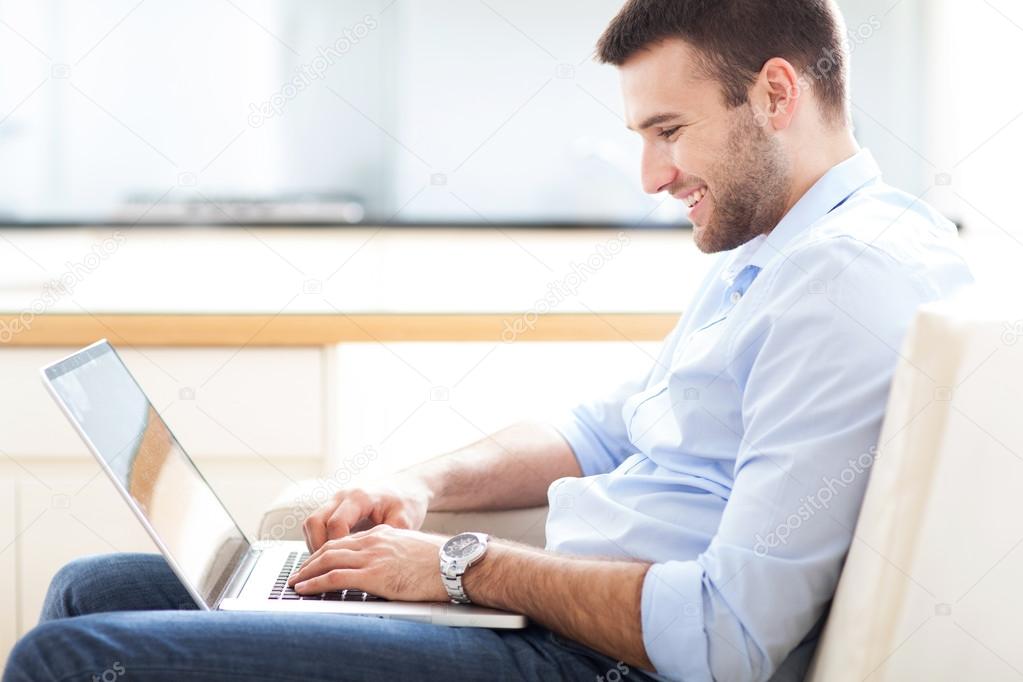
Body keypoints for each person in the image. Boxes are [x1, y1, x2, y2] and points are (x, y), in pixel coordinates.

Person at [3, 1, 973, 680]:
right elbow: (607, 430)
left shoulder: (846, 283)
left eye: (668, 130)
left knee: (65, 659)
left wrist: (458, 564)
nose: (649, 174)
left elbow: (724, 638)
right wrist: (424, 487)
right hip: (549, 614)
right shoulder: (774, 245)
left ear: (774, 94)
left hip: (591, 658)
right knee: (93, 588)